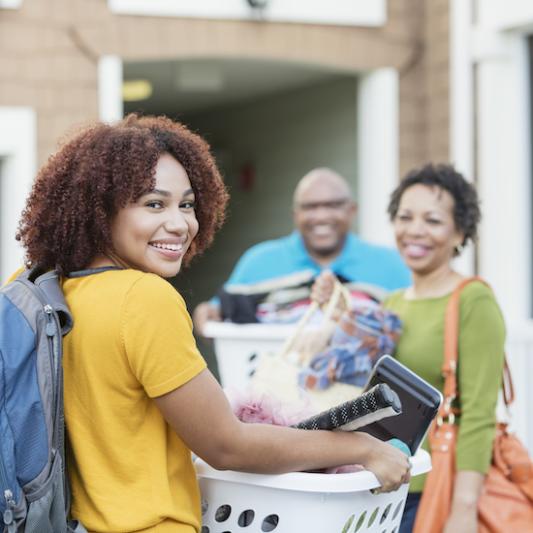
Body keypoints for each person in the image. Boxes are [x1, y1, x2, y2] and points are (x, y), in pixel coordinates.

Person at [13, 114, 411, 533]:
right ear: (100, 210)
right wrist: (361, 448)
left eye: (186, 204)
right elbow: (226, 444)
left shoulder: (43, 289)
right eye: (154, 203)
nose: (180, 223)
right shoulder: (144, 299)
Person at [314, 163, 506, 533]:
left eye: (432, 220)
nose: (414, 230)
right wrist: (336, 314)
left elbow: (480, 415)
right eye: (405, 217)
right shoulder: (392, 304)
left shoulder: (473, 300)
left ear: (460, 231)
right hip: (378, 484)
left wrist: (464, 509)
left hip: (435, 489)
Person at [193, 167, 411, 334]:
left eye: (333, 205)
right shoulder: (259, 261)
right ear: (295, 214)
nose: (322, 216)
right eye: (310, 207)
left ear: (352, 210)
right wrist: (205, 314)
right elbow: (216, 314)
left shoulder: (391, 264)